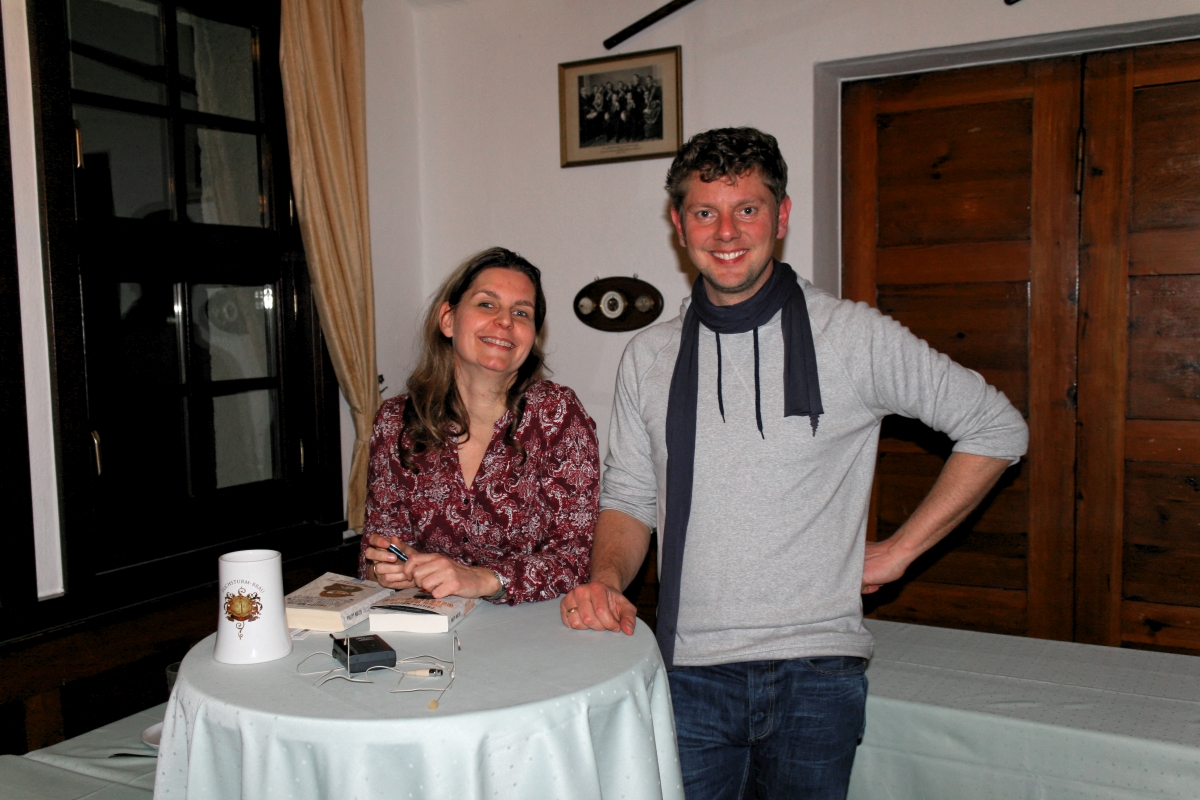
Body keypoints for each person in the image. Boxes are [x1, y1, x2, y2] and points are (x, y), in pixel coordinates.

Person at [559, 128, 1027, 798]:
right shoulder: (650, 357)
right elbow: (630, 495)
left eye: (746, 209)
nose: (726, 232)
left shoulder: (852, 337)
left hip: (817, 674)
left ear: (780, 217)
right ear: (679, 225)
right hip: (688, 671)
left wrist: (898, 552)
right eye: (705, 212)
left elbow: (996, 427)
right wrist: (606, 579)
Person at [361, 247, 600, 604]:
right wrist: (391, 567)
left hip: (532, 626)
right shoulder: (395, 421)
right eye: (487, 304)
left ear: (532, 336)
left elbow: (574, 560)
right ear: (448, 319)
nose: (505, 321)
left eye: (521, 312)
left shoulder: (558, 415)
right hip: (431, 624)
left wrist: (484, 579)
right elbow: (376, 550)